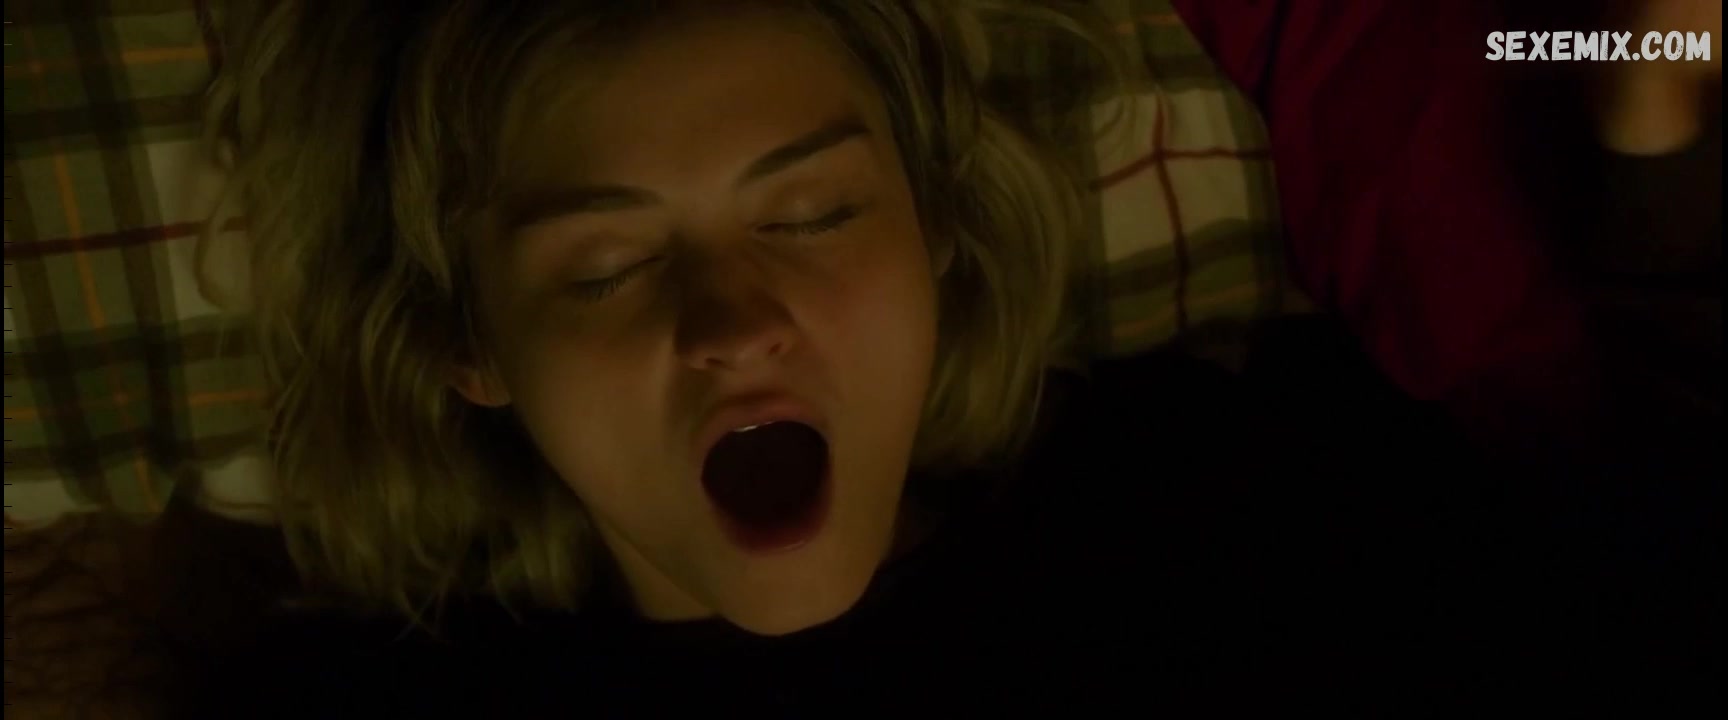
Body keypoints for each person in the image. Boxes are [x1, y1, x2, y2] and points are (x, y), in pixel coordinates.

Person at [14, 0, 1707, 716]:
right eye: (602, 264)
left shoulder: (1238, 511)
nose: (735, 322)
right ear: (470, 344)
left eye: (816, 212)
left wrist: (1642, 116)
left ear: (938, 244)